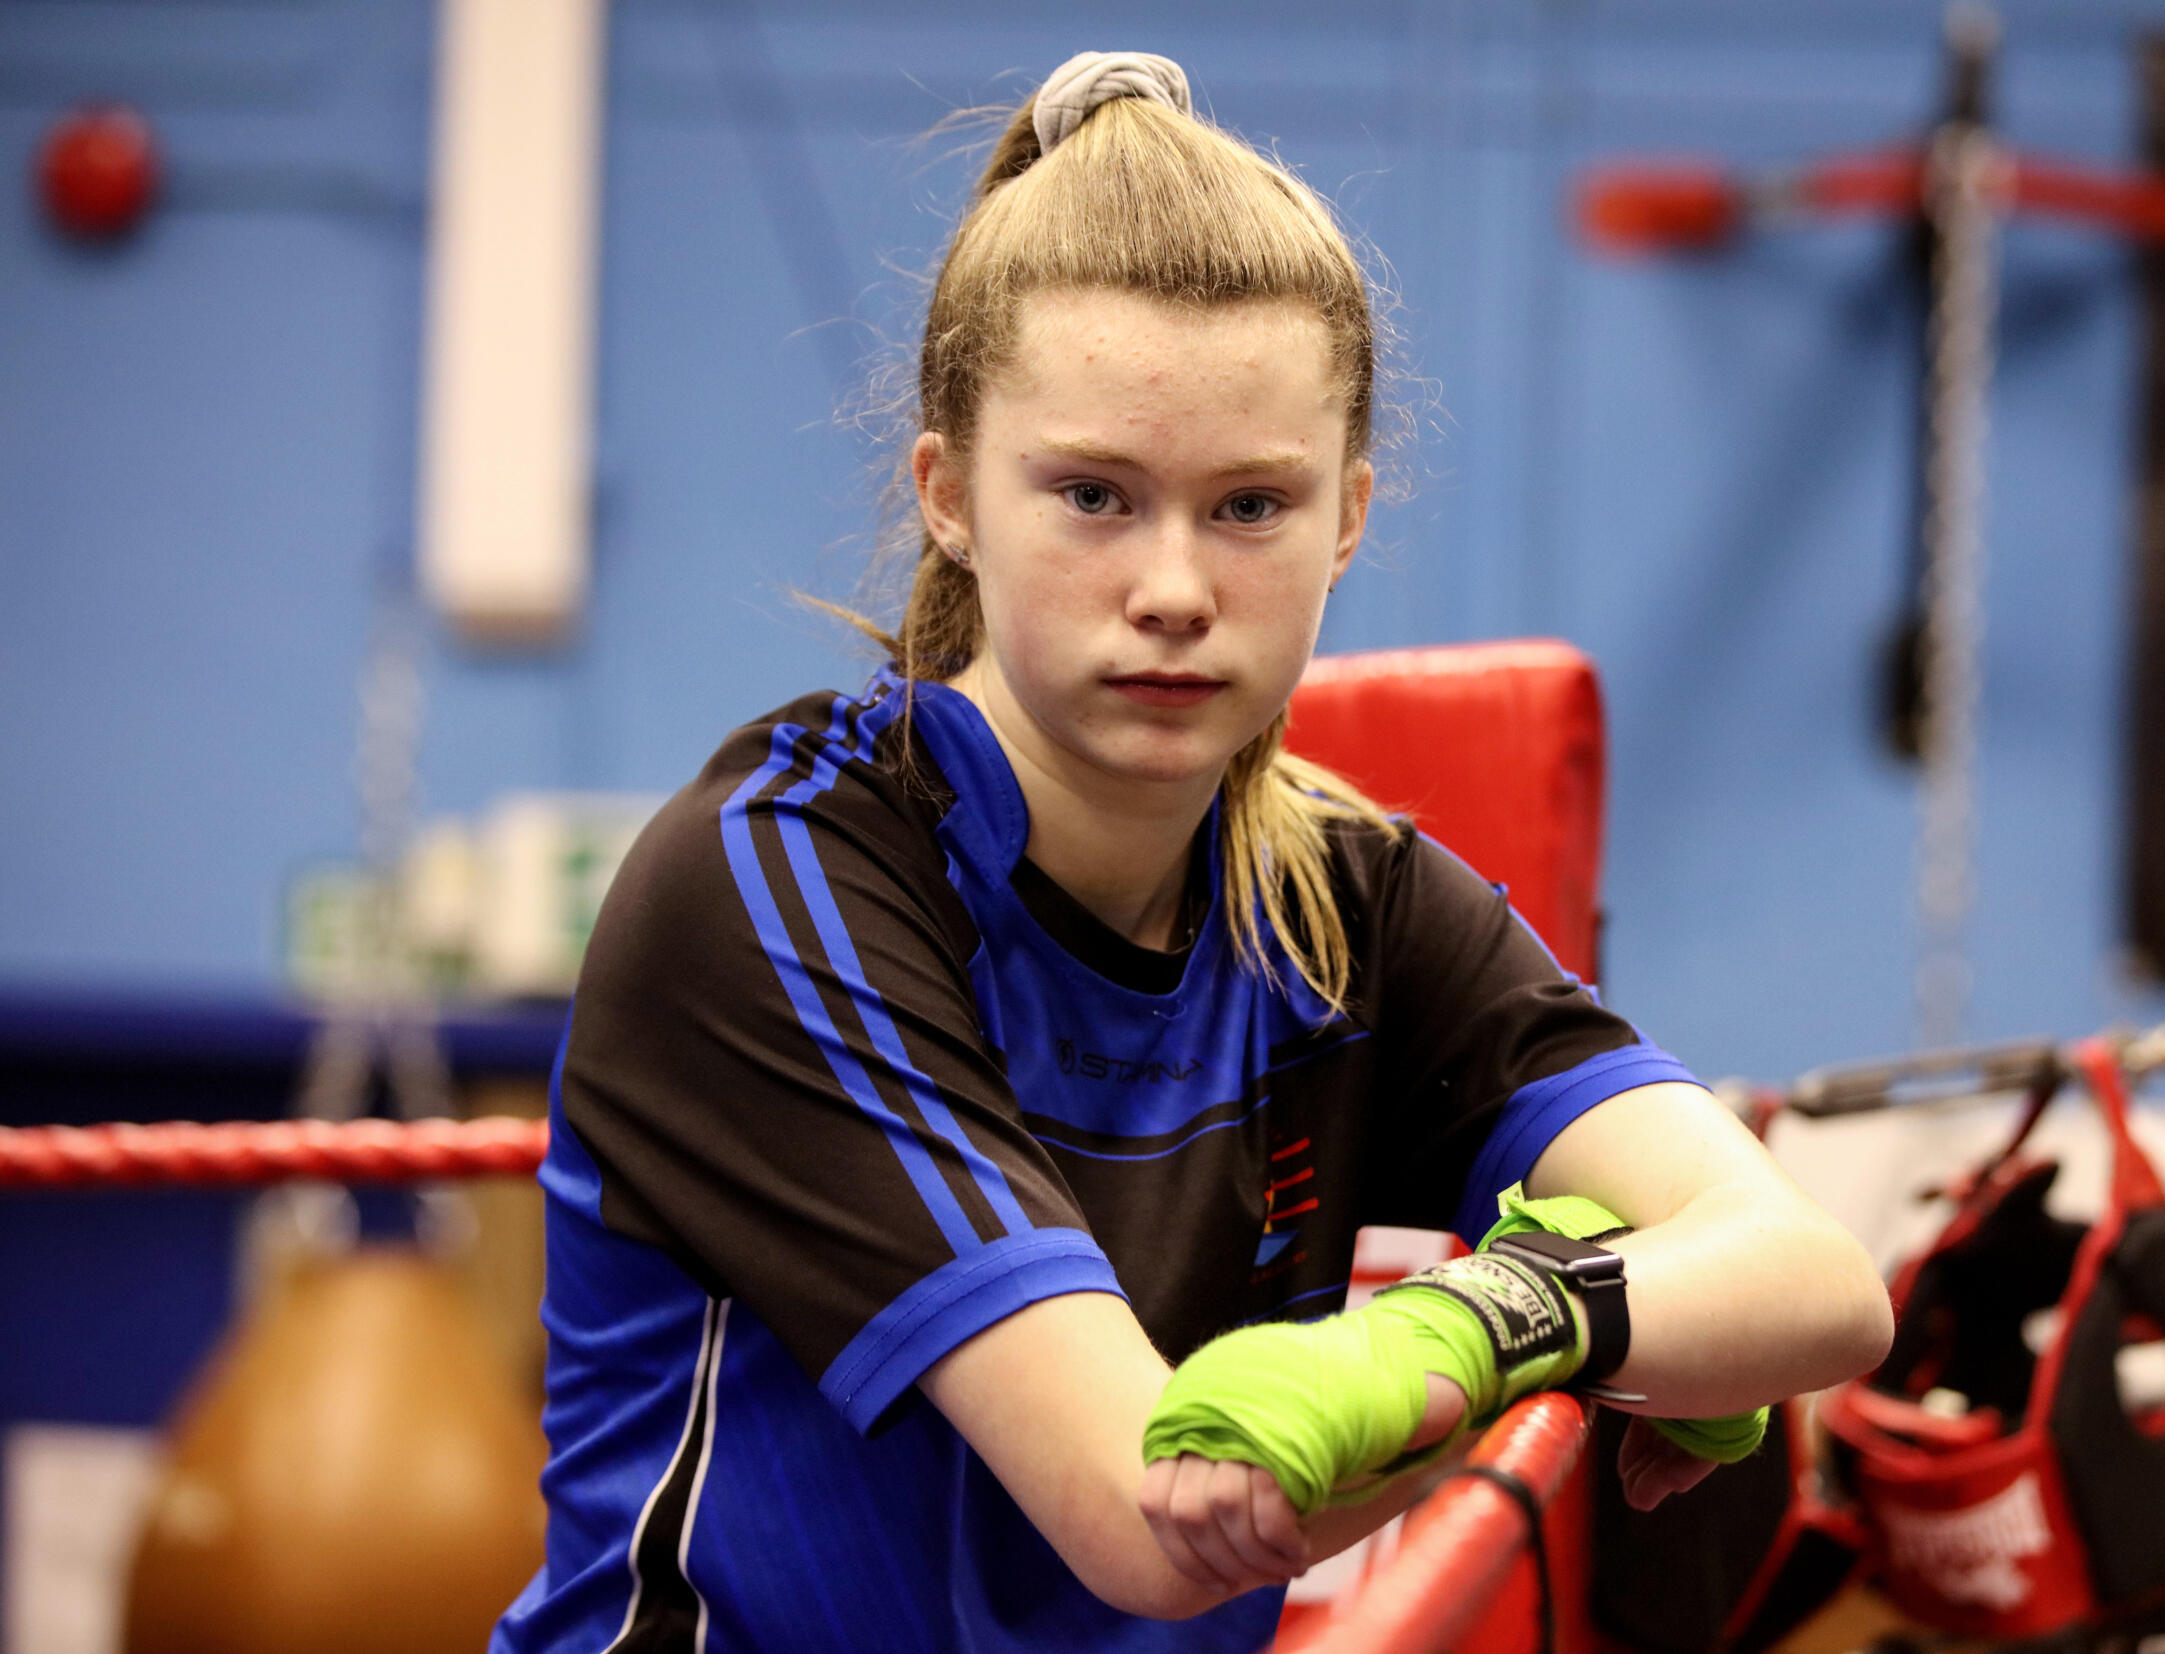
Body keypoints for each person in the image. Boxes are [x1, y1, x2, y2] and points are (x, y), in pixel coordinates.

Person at [491, 50, 1891, 1654]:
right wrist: (1604, 1329)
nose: (1173, 585)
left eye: (1249, 506)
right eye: (1094, 494)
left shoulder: (1338, 906)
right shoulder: (778, 879)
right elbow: (1141, 1524)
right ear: (948, 494)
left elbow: (1809, 1276)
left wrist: (1487, 1318)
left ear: (1348, 517)